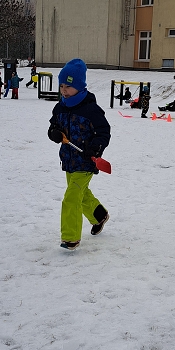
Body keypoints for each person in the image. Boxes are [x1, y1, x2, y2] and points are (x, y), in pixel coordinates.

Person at [48, 58, 111, 251]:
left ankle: (70, 238)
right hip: (69, 159)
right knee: (80, 194)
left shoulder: (91, 109)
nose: (64, 90)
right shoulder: (60, 107)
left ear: (80, 86)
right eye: (61, 86)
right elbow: (53, 127)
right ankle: (99, 215)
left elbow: (103, 132)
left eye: (69, 86)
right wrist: (54, 134)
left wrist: (95, 149)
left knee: (71, 197)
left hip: (86, 161)